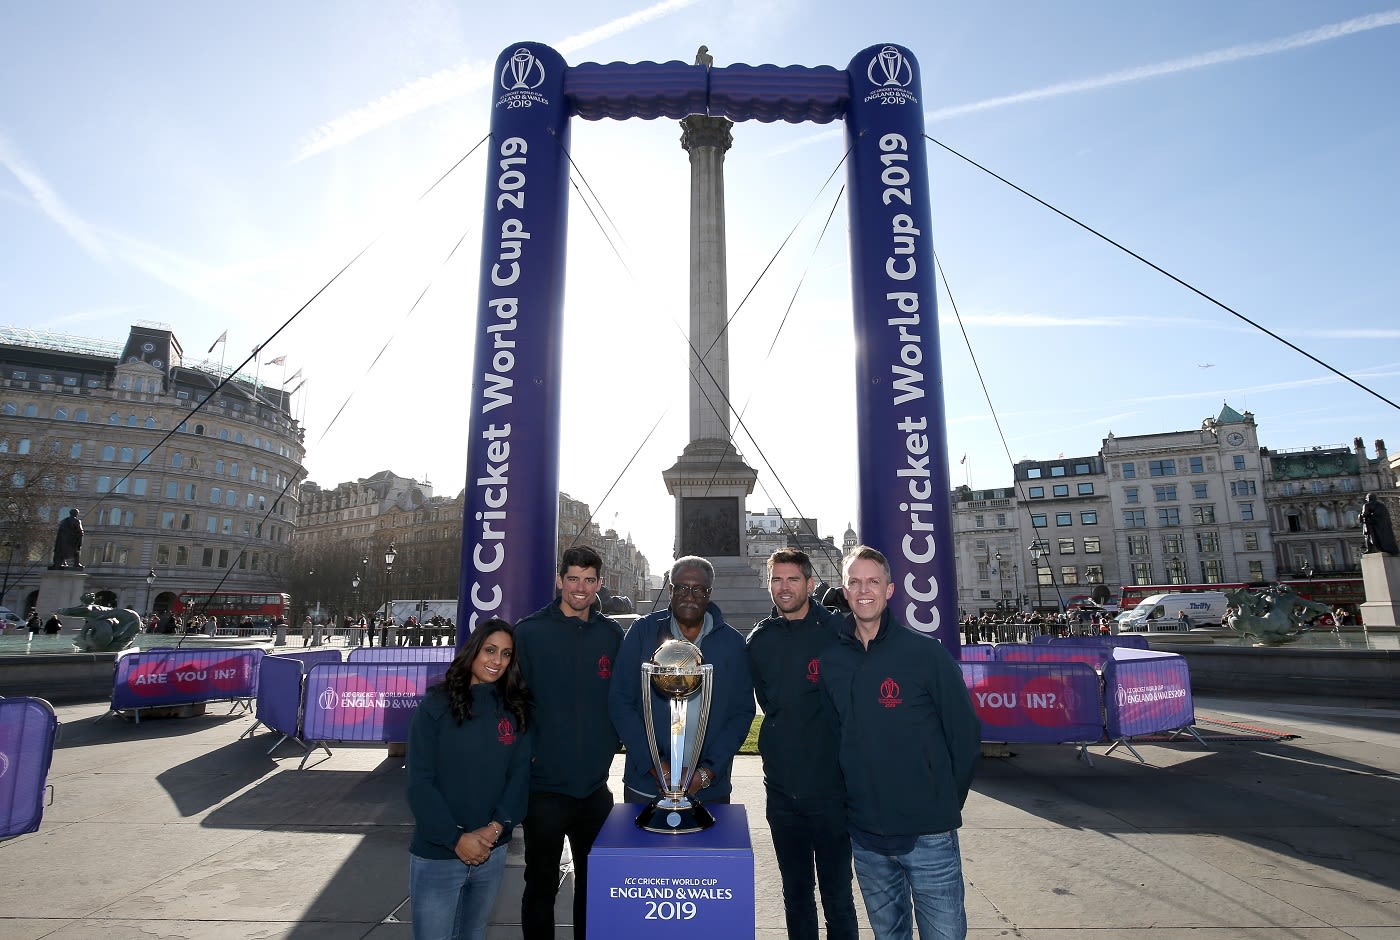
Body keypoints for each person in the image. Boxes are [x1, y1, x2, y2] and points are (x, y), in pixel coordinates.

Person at [819, 546, 981, 940]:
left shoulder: (925, 654)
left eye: (873, 581)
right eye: (855, 582)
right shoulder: (831, 660)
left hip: (928, 834)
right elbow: (834, 738)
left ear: (890, 589)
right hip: (866, 837)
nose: (864, 590)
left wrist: (941, 802)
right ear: (844, 589)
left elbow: (964, 736)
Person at [513, 545, 625, 940]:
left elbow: (623, 699)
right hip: (543, 789)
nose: (580, 588)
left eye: (589, 580)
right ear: (560, 580)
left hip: (594, 788)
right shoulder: (528, 632)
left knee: (595, 890)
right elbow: (511, 703)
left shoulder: (612, 634)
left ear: (598, 584)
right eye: (573, 578)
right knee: (540, 886)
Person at [746, 549, 858, 940]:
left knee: (838, 899)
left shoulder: (840, 632)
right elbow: (766, 703)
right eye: (776, 579)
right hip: (780, 793)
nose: (784, 587)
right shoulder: (759, 639)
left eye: (792, 579)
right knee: (795, 896)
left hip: (831, 793)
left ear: (811, 584)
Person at [406, 616, 532, 940]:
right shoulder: (435, 706)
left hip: (493, 850)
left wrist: (494, 830)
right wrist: (456, 839)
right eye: (490, 650)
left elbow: (519, 778)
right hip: (439, 853)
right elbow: (419, 783)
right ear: (473, 650)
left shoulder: (514, 709)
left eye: (506, 654)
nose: (497, 661)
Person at [609, 555, 755, 804]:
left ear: (709, 593)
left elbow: (740, 713)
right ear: (670, 590)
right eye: (682, 588)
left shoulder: (732, 644)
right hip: (647, 785)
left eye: (698, 589)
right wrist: (656, 766)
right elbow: (621, 702)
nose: (690, 595)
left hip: (709, 790)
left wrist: (706, 773)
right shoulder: (643, 633)